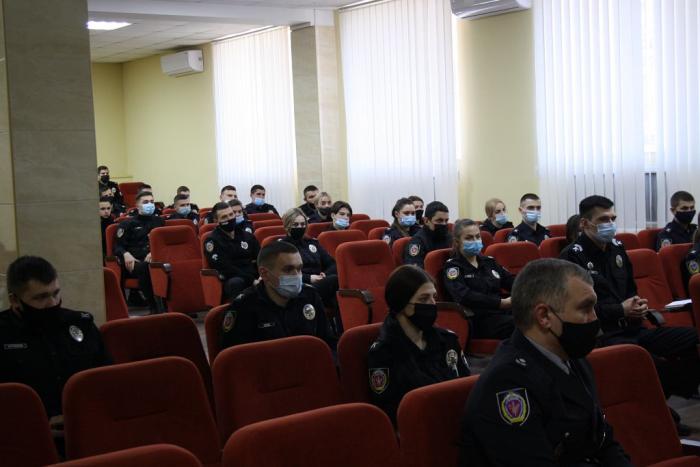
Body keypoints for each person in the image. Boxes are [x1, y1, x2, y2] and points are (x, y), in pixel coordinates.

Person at [459, 258, 632, 466]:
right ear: (544, 316)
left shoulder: (572, 358)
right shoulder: (507, 385)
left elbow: (602, 439)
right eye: (585, 309)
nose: (594, 318)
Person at [560, 195, 700, 417]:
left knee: (694, 339)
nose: (610, 224)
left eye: (612, 218)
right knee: (651, 363)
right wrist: (620, 310)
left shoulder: (617, 248)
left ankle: (659, 399)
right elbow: (576, 310)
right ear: (585, 224)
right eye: (603, 219)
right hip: (603, 335)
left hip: (634, 328)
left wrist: (638, 304)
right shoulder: (572, 256)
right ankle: (656, 409)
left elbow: (630, 290)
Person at [0, 256, 111, 420]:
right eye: (41, 297)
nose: (52, 303)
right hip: (26, 429)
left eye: (56, 293)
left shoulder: (80, 323)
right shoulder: (4, 334)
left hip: (89, 420)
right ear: (14, 300)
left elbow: (108, 378)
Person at [367, 265, 470, 423]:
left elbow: (466, 387)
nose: (432, 304)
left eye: (434, 297)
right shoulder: (383, 352)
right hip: (420, 426)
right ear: (401, 304)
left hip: (457, 419)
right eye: (423, 299)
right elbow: (390, 411)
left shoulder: (448, 340)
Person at [220, 241, 334, 349]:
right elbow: (235, 357)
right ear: (264, 274)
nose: (297, 275)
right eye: (288, 270)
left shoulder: (310, 295)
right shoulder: (244, 305)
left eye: (299, 269)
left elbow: (328, 343)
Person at [443, 219, 515, 339]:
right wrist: (500, 303)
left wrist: (525, 289)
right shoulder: (453, 267)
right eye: (469, 238)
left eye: (477, 237)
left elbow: (510, 281)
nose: (475, 241)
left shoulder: (489, 262)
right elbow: (464, 296)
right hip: (479, 319)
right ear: (457, 241)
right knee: (522, 324)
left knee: (532, 315)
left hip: (502, 312)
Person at [113, 191, 165, 311]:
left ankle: (172, 306)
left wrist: (154, 252)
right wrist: (126, 254)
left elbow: (163, 243)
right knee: (144, 267)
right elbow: (118, 247)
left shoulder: (159, 221)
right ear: (137, 205)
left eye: (152, 202)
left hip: (155, 258)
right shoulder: (127, 224)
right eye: (145, 202)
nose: (149, 204)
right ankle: (154, 307)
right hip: (135, 261)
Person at [280, 208, 338, 308]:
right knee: (335, 282)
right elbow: (283, 275)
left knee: (335, 282)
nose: (300, 227)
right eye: (296, 225)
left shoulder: (312, 243)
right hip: (300, 286)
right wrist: (309, 278)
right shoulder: (282, 246)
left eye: (303, 224)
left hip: (321, 282)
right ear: (287, 226)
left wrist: (325, 274)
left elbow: (332, 264)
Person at [203, 202, 260, 301]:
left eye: (231, 214)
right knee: (236, 283)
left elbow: (260, 257)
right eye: (224, 217)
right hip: (233, 277)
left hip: (253, 273)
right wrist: (252, 280)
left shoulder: (247, 236)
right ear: (216, 221)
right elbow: (225, 268)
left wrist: (263, 275)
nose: (229, 218)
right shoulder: (212, 241)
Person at [404, 201, 452, 269]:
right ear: (426, 221)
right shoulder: (417, 242)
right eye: (439, 221)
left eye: (446, 221)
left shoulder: (449, 237)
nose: (444, 224)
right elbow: (415, 271)